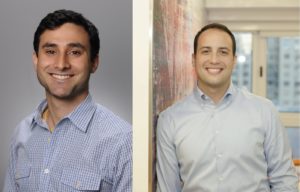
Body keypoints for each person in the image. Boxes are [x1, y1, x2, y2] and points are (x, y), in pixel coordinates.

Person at [156, 23, 299, 191]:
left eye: (223, 52)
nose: (214, 60)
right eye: (206, 51)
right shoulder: (170, 120)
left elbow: (284, 180)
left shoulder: (264, 111)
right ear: (193, 60)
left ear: (234, 60)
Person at [3, 9, 132, 192]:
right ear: (36, 60)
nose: (61, 64)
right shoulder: (21, 134)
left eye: (74, 52)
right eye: (50, 51)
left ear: (94, 62)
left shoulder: (123, 142)